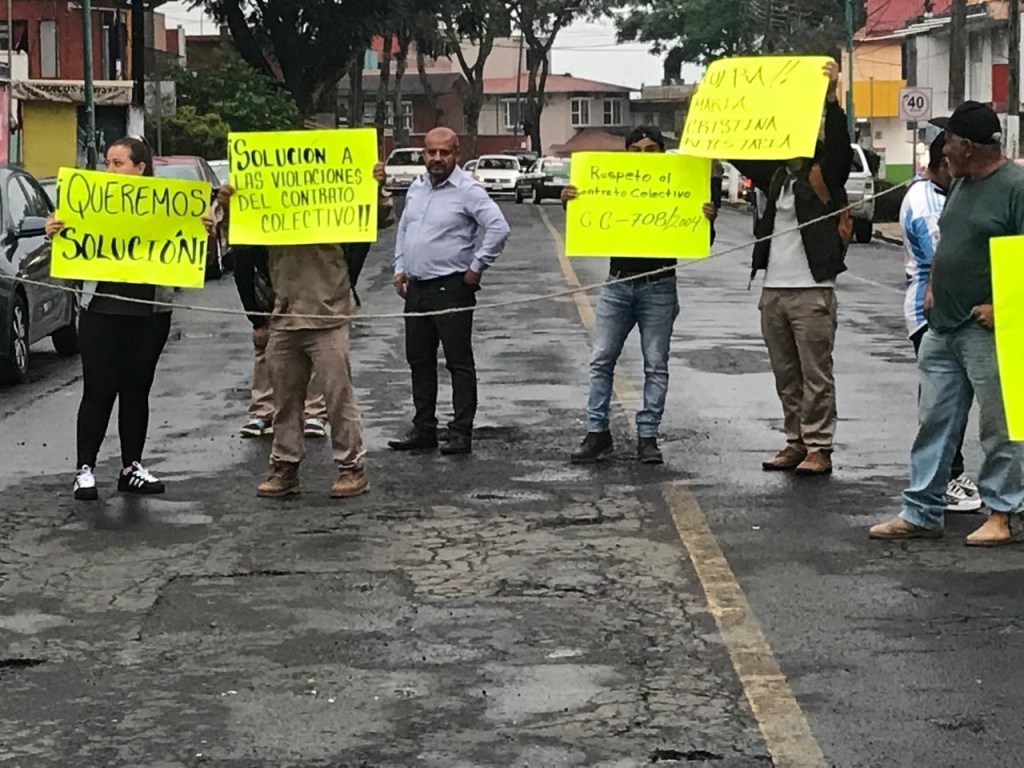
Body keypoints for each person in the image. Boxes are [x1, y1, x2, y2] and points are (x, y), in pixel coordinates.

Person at [870, 101, 1024, 545]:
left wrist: (1002, 306)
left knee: (1000, 426)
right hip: (944, 325)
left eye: (949, 142)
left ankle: (1003, 514)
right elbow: (950, 240)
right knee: (934, 421)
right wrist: (934, 286)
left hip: (989, 328)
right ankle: (921, 511)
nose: (942, 151)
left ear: (968, 146)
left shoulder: (1014, 188)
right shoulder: (960, 184)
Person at [218, 162, 394, 498]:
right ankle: (285, 466)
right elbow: (240, 241)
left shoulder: (336, 201)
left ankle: (351, 468)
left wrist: (375, 188)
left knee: (337, 397)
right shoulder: (269, 204)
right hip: (283, 313)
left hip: (328, 313)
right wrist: (230, 208)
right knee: (284, 398)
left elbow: (378, 219)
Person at [45, 137, 207, 501]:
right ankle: (85, 469)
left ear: (140, 168)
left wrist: (202, 225)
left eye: (118, 163)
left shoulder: (166, 206)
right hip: (100, 312)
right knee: (98, 390)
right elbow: (69, 251)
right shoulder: (91, 203)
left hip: (149, 315)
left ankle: (131, 467)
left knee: (136, 390)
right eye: (107, 163)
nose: (109, 169)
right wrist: (54, 232)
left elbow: (187, 239)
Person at [562, 126, 721, 465]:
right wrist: (572, 204)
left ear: (662, 153)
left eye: (651, 150)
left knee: (655, 364)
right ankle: (596, 432)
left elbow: (702, 241)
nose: (643, 156)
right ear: (627, 153)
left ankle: (648, 437)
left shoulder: (681, 184)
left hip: (659, 285)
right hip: (617, 284)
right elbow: (590, 223)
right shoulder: (615, 182)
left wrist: (707, 218)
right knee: (601, 358)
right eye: (636, 150)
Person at [729, 60, 853, 476]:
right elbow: (736, 153)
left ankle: (819, 445)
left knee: (816, 373)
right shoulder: (778, 175)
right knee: (786, 373)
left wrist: (832, 100)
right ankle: (795, 441)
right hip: (774, 291)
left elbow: (840, 148)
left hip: (812, 290)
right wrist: (707, 114)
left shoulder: (825, 171)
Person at [388, 127, 511, 457]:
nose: (437, 158)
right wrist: (400, 267)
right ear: (423, 154)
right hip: (417, 289)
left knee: (458, 362)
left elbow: (498, 227)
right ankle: (424, 429)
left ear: (457, 154)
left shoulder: (468, 191)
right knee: (419, 360)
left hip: (451, 287)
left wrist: (477, 266)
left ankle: (460, 431)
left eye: (444, 152)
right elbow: (405, 228)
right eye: (431, 152)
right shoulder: (416, 187)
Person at [898, 132, 981, 513]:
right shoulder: (927, 202)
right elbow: (946, 257)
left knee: (952, 399)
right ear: (945, 164)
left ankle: (947, 475)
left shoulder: (940, 194)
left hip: (945, 309)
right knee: (944, 401)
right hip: (932, 311)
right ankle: (947, 478)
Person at [232, 244, 329, 439]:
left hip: (306, 275)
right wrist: (256, 320)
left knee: (314, 339)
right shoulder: (246, 244)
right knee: (264, 343)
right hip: (267, 283)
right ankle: (263, 410)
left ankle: (314, 412)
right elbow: (241, 267)